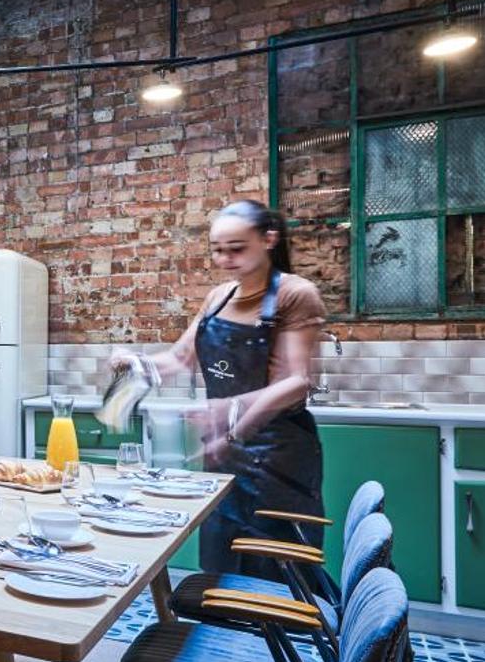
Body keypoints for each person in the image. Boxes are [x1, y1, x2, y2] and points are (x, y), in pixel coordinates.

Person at [111, 200, 328, 585]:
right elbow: (179, 359)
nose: (226, 259)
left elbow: (296, 381)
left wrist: (229, 413)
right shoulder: (218, 298)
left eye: (237, 248)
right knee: (221, 556)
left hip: (277, 457)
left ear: (269, 240)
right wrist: (135, 363)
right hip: (225, 452)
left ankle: (283, 622)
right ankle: (220, 620)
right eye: (218, 249)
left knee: (272, 566)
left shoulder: (296, 294)